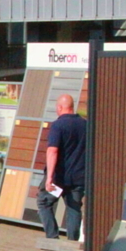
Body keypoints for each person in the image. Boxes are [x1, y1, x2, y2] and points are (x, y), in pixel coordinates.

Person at [37, 94, 86, 240]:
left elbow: (53, 150)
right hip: (79, 177)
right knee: (74, 208)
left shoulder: (58, 125)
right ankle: (72, 244)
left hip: (59, 177)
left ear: (60, 107)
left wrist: (49, 177)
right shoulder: (85, 125)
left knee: (43, 203)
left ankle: (52, 239)